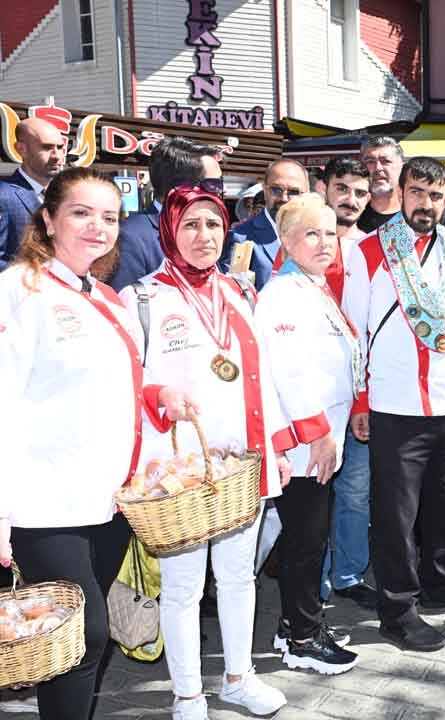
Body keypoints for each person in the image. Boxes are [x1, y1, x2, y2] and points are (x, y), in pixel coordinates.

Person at [0, 168, 190, 719]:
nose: (98, 227)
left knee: (75, 646)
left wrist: (159, 395)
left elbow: (120, 385)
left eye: (110, 217)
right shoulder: (19, 290)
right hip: (44, 502)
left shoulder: (109, 298)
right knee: (82, 637)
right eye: (81, 213)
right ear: (48, 219)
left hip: (109, 501)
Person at [122, 184, 295, 719]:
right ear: (169, 229)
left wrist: (277, 448)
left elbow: (265, 376)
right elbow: (126, 384)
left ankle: (238, 678)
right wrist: (159, 397)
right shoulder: (143, 298)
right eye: (191, 224)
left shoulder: (241, 291)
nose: (204, 237)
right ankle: (187, 694)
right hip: (182, 474)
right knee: (183, 587)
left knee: (239, 577)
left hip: (240, 467)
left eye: (214, 225)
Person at [344, 156, 445, 652]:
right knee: (396, 517)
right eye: (417, 192)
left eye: (435, 194)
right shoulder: (367, 252)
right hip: (397, 404)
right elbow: (353, 330)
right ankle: (398, 610)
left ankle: (441, 582)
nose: (426, 204)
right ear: (400, 193)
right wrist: (360, 399)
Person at [255, 194, 360, 675]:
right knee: (306, 540)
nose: (324, 242)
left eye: (329, 232)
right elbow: (289, 373)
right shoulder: (283, 294)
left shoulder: (312, 287)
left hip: (324, 433)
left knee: (307, 536)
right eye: (311, 233)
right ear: (287, 241)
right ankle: (301, 637)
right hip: (304, 441)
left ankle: (295, 624)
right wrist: (317, 434)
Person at [313, 156, 378, 608]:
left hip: (360, 393)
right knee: (314, 496)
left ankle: (350, 574)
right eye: (343, 189)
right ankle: (312, 580)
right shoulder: (300, 245)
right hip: (314, 395)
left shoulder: (375, 248)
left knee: (356, 493)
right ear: (324, 189)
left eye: (360, 192)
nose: (351, 200)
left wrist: (365, 398)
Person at [112, 138, 222, 290]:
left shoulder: (214, 231)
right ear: (182, 188)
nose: (222, 192)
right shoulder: (131, 237)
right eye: (215, 185)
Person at [222, 159, 310, 290]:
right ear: (264, 190)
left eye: (293, 192)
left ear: (307, 193)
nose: (284, 198)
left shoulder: (316, 236)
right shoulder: (240, 238)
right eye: (276, 190)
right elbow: (233, 298)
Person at [0, 118, 66, 269]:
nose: (57, 156)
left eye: (61, 147)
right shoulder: (4, 195)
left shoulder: (65, 196)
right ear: (21, 149)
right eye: (46, 147)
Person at [357, 136, 405, 234]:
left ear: (402, 168)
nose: (378, 168)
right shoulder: (352, 216)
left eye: (386, 161)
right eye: (370, 162)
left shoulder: (417, 213)